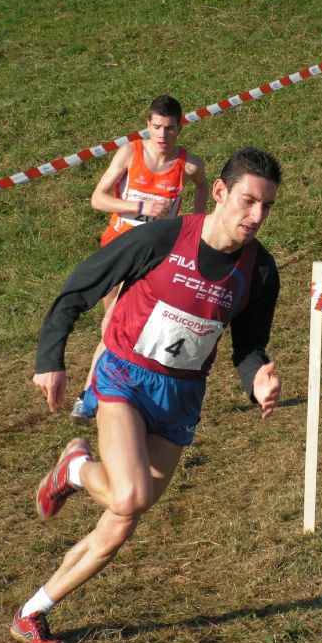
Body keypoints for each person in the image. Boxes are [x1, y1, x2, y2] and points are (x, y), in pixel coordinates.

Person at [10, 147, 282, 643]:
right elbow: (79, 288)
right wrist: (51, 357)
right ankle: (74, 468)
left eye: (267, 206)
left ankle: (31, 613)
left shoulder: (260, 272)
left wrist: (256, 381)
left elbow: (248, 346)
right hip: (125, 377)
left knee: (119, 525)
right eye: (248, 201)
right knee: (128, 495)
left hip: (181, 397)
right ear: (219, 193)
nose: (257, 216)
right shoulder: (162, 238)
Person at [70, 94, 209, 420]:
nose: (163, 135)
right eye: (157, 127)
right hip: (118, 248)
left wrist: (194, 225)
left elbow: (202, 186)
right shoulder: (129, 153)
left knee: (122, 323)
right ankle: (96, 393)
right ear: (148, 125)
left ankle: (99, 393)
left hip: (155, 256)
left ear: (180, 127)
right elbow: (98, 199)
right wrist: (140, 207)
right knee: (113, 323)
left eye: (170, 129)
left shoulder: (189, 165)